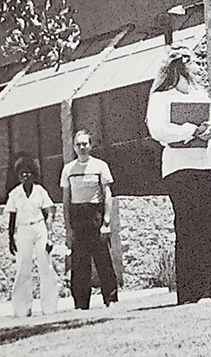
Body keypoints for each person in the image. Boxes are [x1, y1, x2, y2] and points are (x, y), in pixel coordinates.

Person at [146, 46, 211, 304]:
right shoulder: (161, 97)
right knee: (190, 227)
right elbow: (157, 130)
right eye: (192, 61)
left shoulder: (200, 94)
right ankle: (193, 292)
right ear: (179, 65)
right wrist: (190, 130)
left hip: (209, 163)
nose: (197, 66)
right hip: (182, 168)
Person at [61, 129, 119, 309]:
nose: (82, 147)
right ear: (74, 147)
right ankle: (80, 304)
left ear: (91, 145)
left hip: (96, 215)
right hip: (78, 218)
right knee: (79, 263)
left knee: (103, 260)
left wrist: (106, 222)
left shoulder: (100, 166)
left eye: (85, 144)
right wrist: (68, 228)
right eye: (78, 144)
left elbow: (107, 194)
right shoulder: (68, 169)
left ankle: (110, 299)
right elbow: (66, 200)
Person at [5, 154, 59, 317]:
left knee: (46, 267)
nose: (25, 175)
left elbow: (49, 213)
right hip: (23, 231)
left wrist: (49, 236)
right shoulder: (15, 194)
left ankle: (49, 308)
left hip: (39, 228)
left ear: (33, 174)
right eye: (22, 173)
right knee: (23, 268)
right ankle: (22, 310)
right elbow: (12, 217)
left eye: (28, 172)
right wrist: (10, 239)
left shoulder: (40, 191)